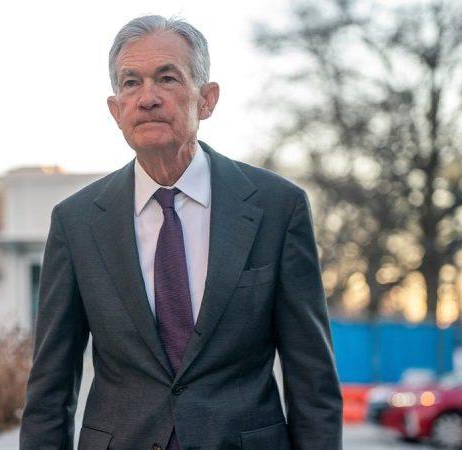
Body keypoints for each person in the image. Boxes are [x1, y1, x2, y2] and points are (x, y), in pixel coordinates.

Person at [20, 15, 342, 450]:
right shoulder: (75, 222)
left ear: (207, 100)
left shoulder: (277, 208)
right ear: (115, 110)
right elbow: (50, 388)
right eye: (131, 83)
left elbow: (313, 381)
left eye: (167, 78)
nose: (147, 98)